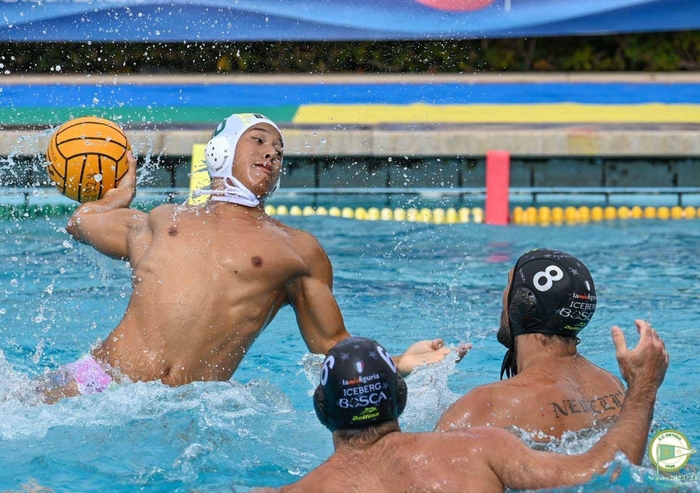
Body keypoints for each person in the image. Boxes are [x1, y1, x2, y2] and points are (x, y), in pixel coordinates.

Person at [39, 113, 463, 402]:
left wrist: (399, 363)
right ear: (220, 152)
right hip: (95, 382)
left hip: (182, 407)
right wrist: (120, 196)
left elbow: (331, 344)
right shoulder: (163, 220)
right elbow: (82, 222)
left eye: (278, 149)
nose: (271, 154)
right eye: (258, 141)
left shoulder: (297, 250)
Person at [259, 324, 667, 493]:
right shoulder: (480, 449)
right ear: (401, 397)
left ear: (322, 410)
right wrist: (643, 388)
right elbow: (605, 472)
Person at [435, 249, 625, 439]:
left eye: (508, 284)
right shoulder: (614, 387)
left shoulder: (485, 406)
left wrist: (425, 375)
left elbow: (426, 456)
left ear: (523, 302)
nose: (503, 294)